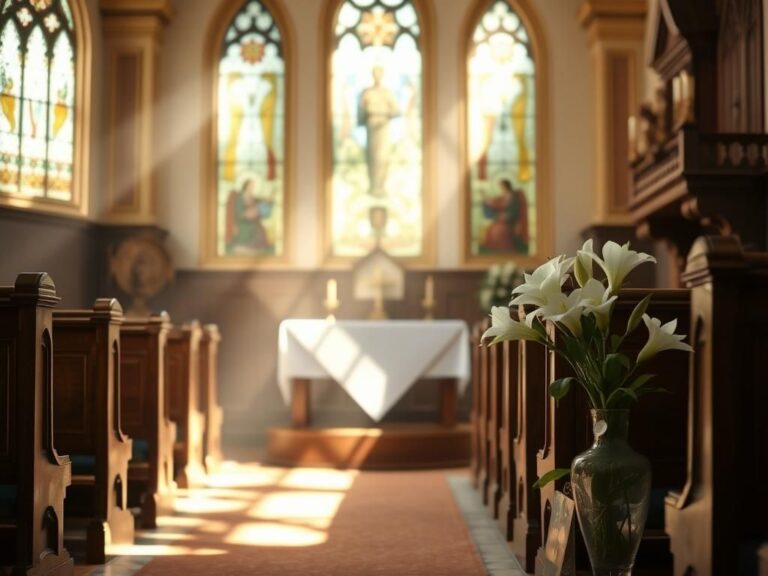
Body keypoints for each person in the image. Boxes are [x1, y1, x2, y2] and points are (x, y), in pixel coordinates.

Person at [359, 66, 400, 197]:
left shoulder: (387, 93)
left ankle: (381, 186)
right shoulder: (367, 92)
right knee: (372, 156)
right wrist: (366, 109)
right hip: (371, 127)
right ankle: (373, 186)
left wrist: (384, 113)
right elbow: (361, 113)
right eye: (374, 73)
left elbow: (396, 110)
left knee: (382, 156)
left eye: (379, 73)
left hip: (383, 126)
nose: (377, 75)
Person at [225, 178, 273, 254]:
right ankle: (242, 247)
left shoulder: (253, 197)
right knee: (252, 229)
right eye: (251, 185)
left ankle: (255, 249)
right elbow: (239, 212)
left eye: (253, 186)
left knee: (261, 229)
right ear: (246, 186)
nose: (253, 188)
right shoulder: (239, 198)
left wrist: (267, 202)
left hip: (252, 221)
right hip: (242, 222)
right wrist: (249, 213)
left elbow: (260, 207)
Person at [481, 178, 529, 253]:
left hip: (510, 222)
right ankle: (495, 251)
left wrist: (506, 216)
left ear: (506, 186)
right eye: (500, 187)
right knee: (491, 229)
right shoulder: (503, 196)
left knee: (498, 230)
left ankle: (506, 250)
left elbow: (514, 211)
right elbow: (496, 203)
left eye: (502, 187)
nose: (501, 189)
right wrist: (487, 200)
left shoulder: (513, 197)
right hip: (501, 220)